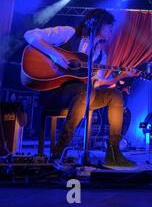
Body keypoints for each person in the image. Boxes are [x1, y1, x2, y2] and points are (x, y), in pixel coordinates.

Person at [24, 9, 137, 168]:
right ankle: (59, 152)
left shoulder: (99, 54)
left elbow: (97, 83)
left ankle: (113, 152)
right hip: (55, 91)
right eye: (109, 27)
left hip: (82, 96)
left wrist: (119, 77)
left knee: (115, 95)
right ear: (98, 24)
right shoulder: (69, 33)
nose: (112, 31)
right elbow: (30, 35)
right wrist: (55, 55)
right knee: (86, 92)